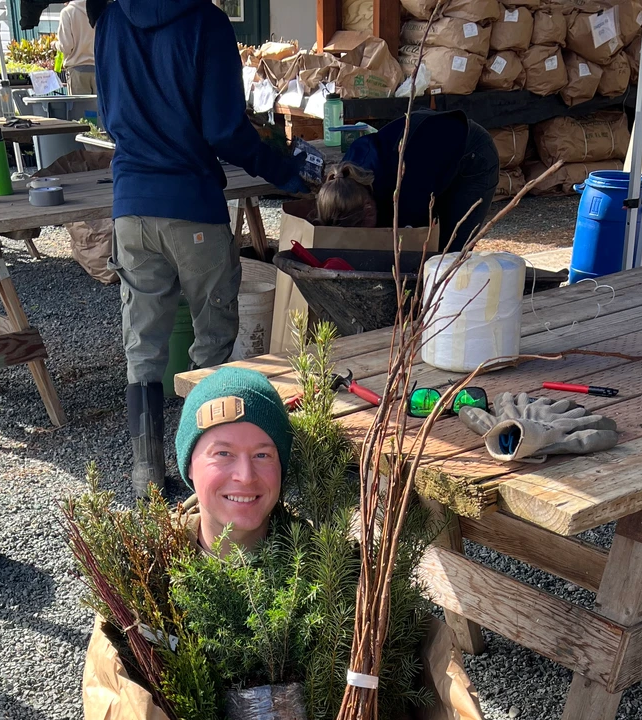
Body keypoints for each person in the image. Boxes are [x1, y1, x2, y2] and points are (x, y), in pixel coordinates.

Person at [87, 0, 310, 499]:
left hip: (131, 206)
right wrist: (285, 170)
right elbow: (224, 130)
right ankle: (199, 481)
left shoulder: (112, 19)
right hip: (192, 207)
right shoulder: (206, 21)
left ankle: (145, 479)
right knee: (210, 343)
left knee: (142, 345)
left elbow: (106, 113)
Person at [173, 366, 293, 556]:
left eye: (262, 455)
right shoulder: (143, 567)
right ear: (189, 465)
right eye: (223, 453)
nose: (246, 476)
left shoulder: (330, 566)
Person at [342, 111, 499, 249]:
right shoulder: (343, 176)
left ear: (368, 210)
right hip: (430, 150)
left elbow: (414, 235)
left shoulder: (407, 186)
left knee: (450, 250)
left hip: (472, 153)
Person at [56, 0, 96, 98]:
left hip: (77, 70)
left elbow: (66, 46)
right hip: (98, 69)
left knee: (80, 110)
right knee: (100, 110)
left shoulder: (67, 12)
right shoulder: (98, 10)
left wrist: (55, 45)